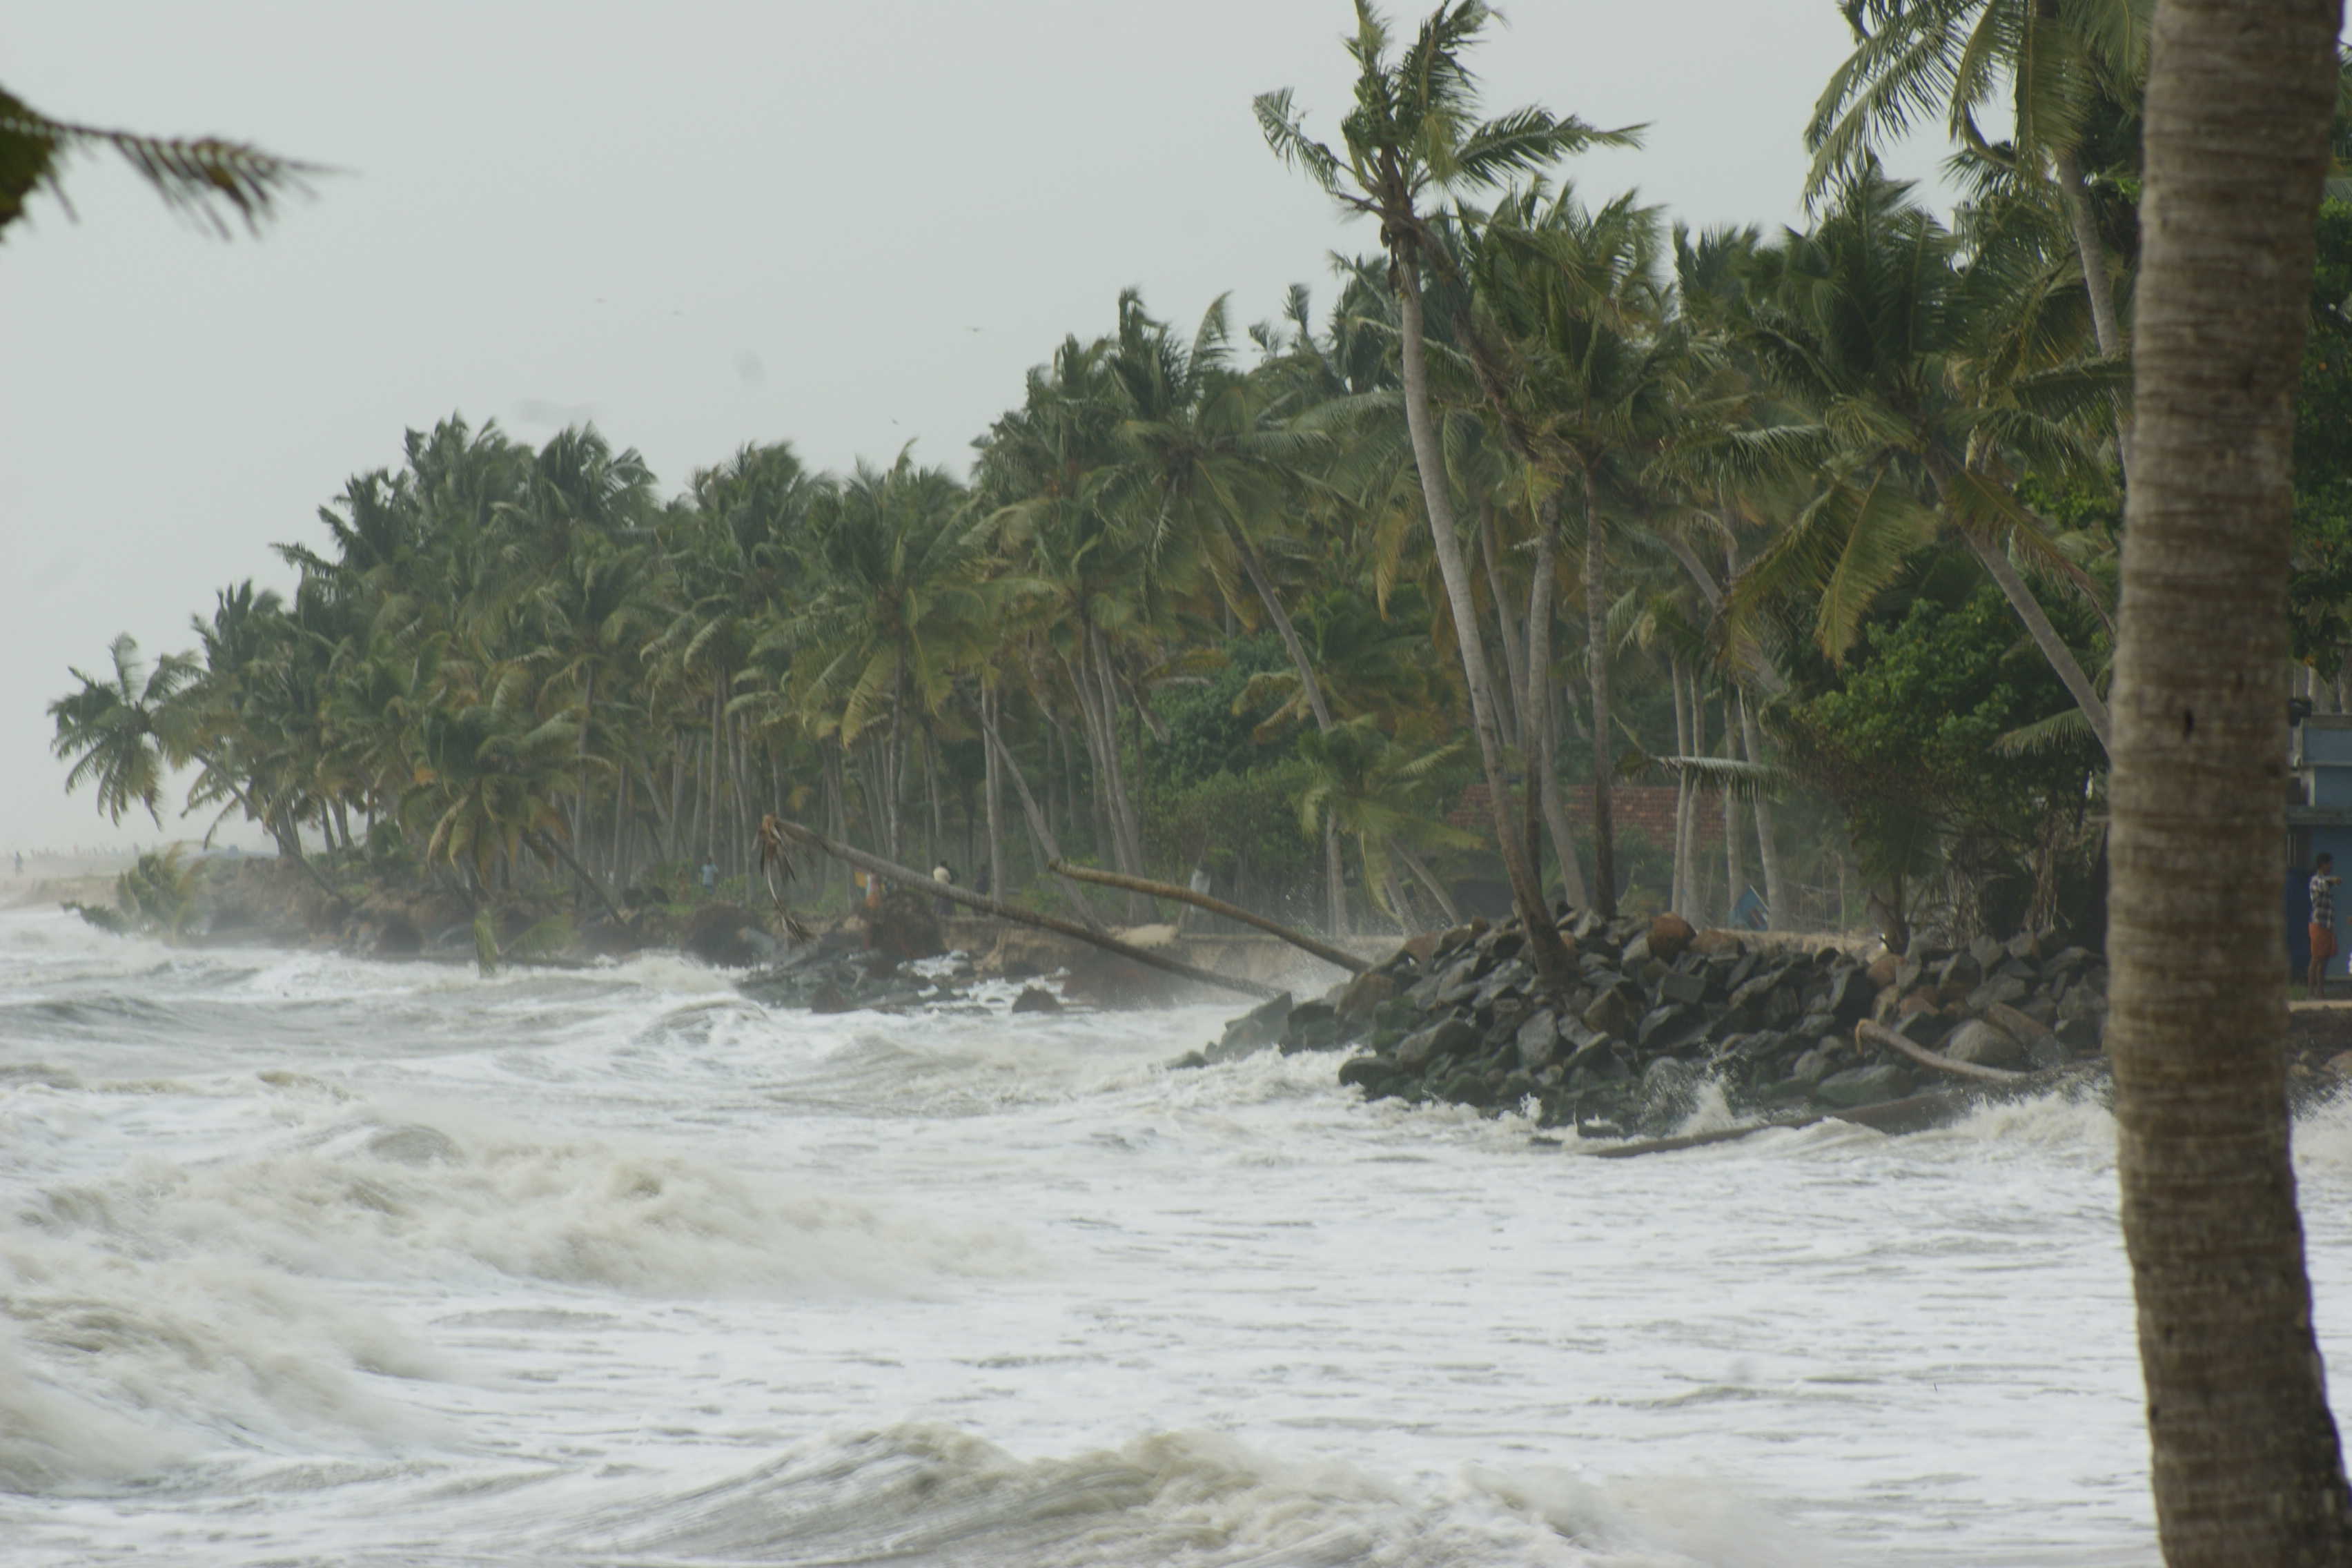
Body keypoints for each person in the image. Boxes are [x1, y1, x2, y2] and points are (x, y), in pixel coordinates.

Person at [2311, 852, 2341, 999]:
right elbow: (2323, 884)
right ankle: (2310, 992)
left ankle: (2320, 992)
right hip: (2319, 924)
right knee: (2317, 958)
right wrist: (2333, 880)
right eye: (2330, 863)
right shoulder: (2316, 880)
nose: (2332, 866)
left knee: (2324, 959)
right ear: (2324, 865)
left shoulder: (2324, 882)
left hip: (2327, 925)